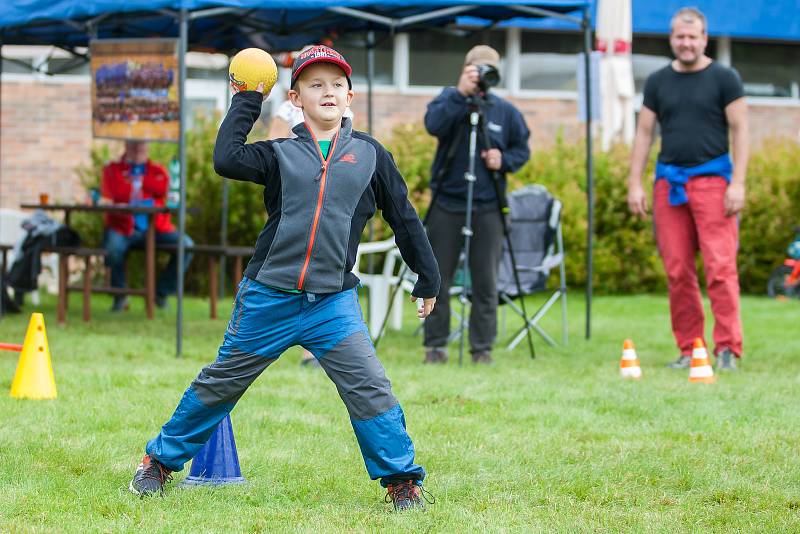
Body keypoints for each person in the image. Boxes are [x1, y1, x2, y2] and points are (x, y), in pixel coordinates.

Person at [128, 45, 441, 511]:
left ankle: (402, 481)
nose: (328, 92)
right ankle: (158, 461)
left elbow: (404, 218)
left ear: (350, 96)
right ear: (295, 98)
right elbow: (227, 159)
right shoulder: (280, 155)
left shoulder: (371, 156)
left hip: (332, 305)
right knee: (221, 383)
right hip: (268, 299)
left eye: (336, 85)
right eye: (316, 85)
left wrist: (428, 276)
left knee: (370, 387)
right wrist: (247, 98)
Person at [626, 7, 748, 371]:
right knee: (678, 271)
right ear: (672, 39)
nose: (687, 43)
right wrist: (635, 182)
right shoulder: (658, 81)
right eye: (680, 36)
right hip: (669, 184)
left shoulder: (726, 78)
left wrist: (738, 182)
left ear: (704, 39)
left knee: (720, 269)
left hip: (715, 183)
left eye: (693, 37)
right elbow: (645, 133)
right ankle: (690, 349)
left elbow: (741, 129)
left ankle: (727, 349)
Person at [422, 45, 531, 365]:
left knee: (486, 281)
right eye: (477, 69)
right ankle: (435, 346)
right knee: (437, 277)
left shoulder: (505, 111)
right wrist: (460, 94)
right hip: (447, 201)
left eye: (488, 71)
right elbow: (433, 125)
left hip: (488, 205)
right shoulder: (448, 99)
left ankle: (482, 348)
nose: (482, 77)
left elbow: (522, 149)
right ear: (466, 69)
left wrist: (504, 160)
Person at [101, 141, 194, 311]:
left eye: (141, 145)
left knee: (186, 245)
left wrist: (140, 182)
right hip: (123, 227)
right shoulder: (112, 169)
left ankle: (160, 293)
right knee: (113, 249)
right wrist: (140, 187)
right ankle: (120, 296)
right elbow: (114, 192)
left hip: (156, 228)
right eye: (133, 145)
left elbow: (165, 188)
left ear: (147, 147)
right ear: (126, 146)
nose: (137, 149)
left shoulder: (158, 170)